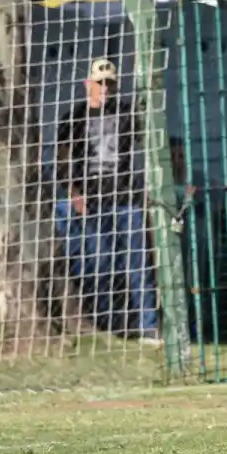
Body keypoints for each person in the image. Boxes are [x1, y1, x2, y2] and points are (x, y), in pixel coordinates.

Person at [54, 58, 158, 340]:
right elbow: (62, 157)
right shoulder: (75, 116)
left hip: (124, 197)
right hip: (90, 200)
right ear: (88, 84)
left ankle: (148, 325)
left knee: (138, 263)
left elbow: (149, 144)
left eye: (110, 83)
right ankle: (105, 324)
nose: (105, 88)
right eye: (100, 83)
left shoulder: (126, 113)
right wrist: (73, 192)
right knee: (98, 263)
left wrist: (147, 185)